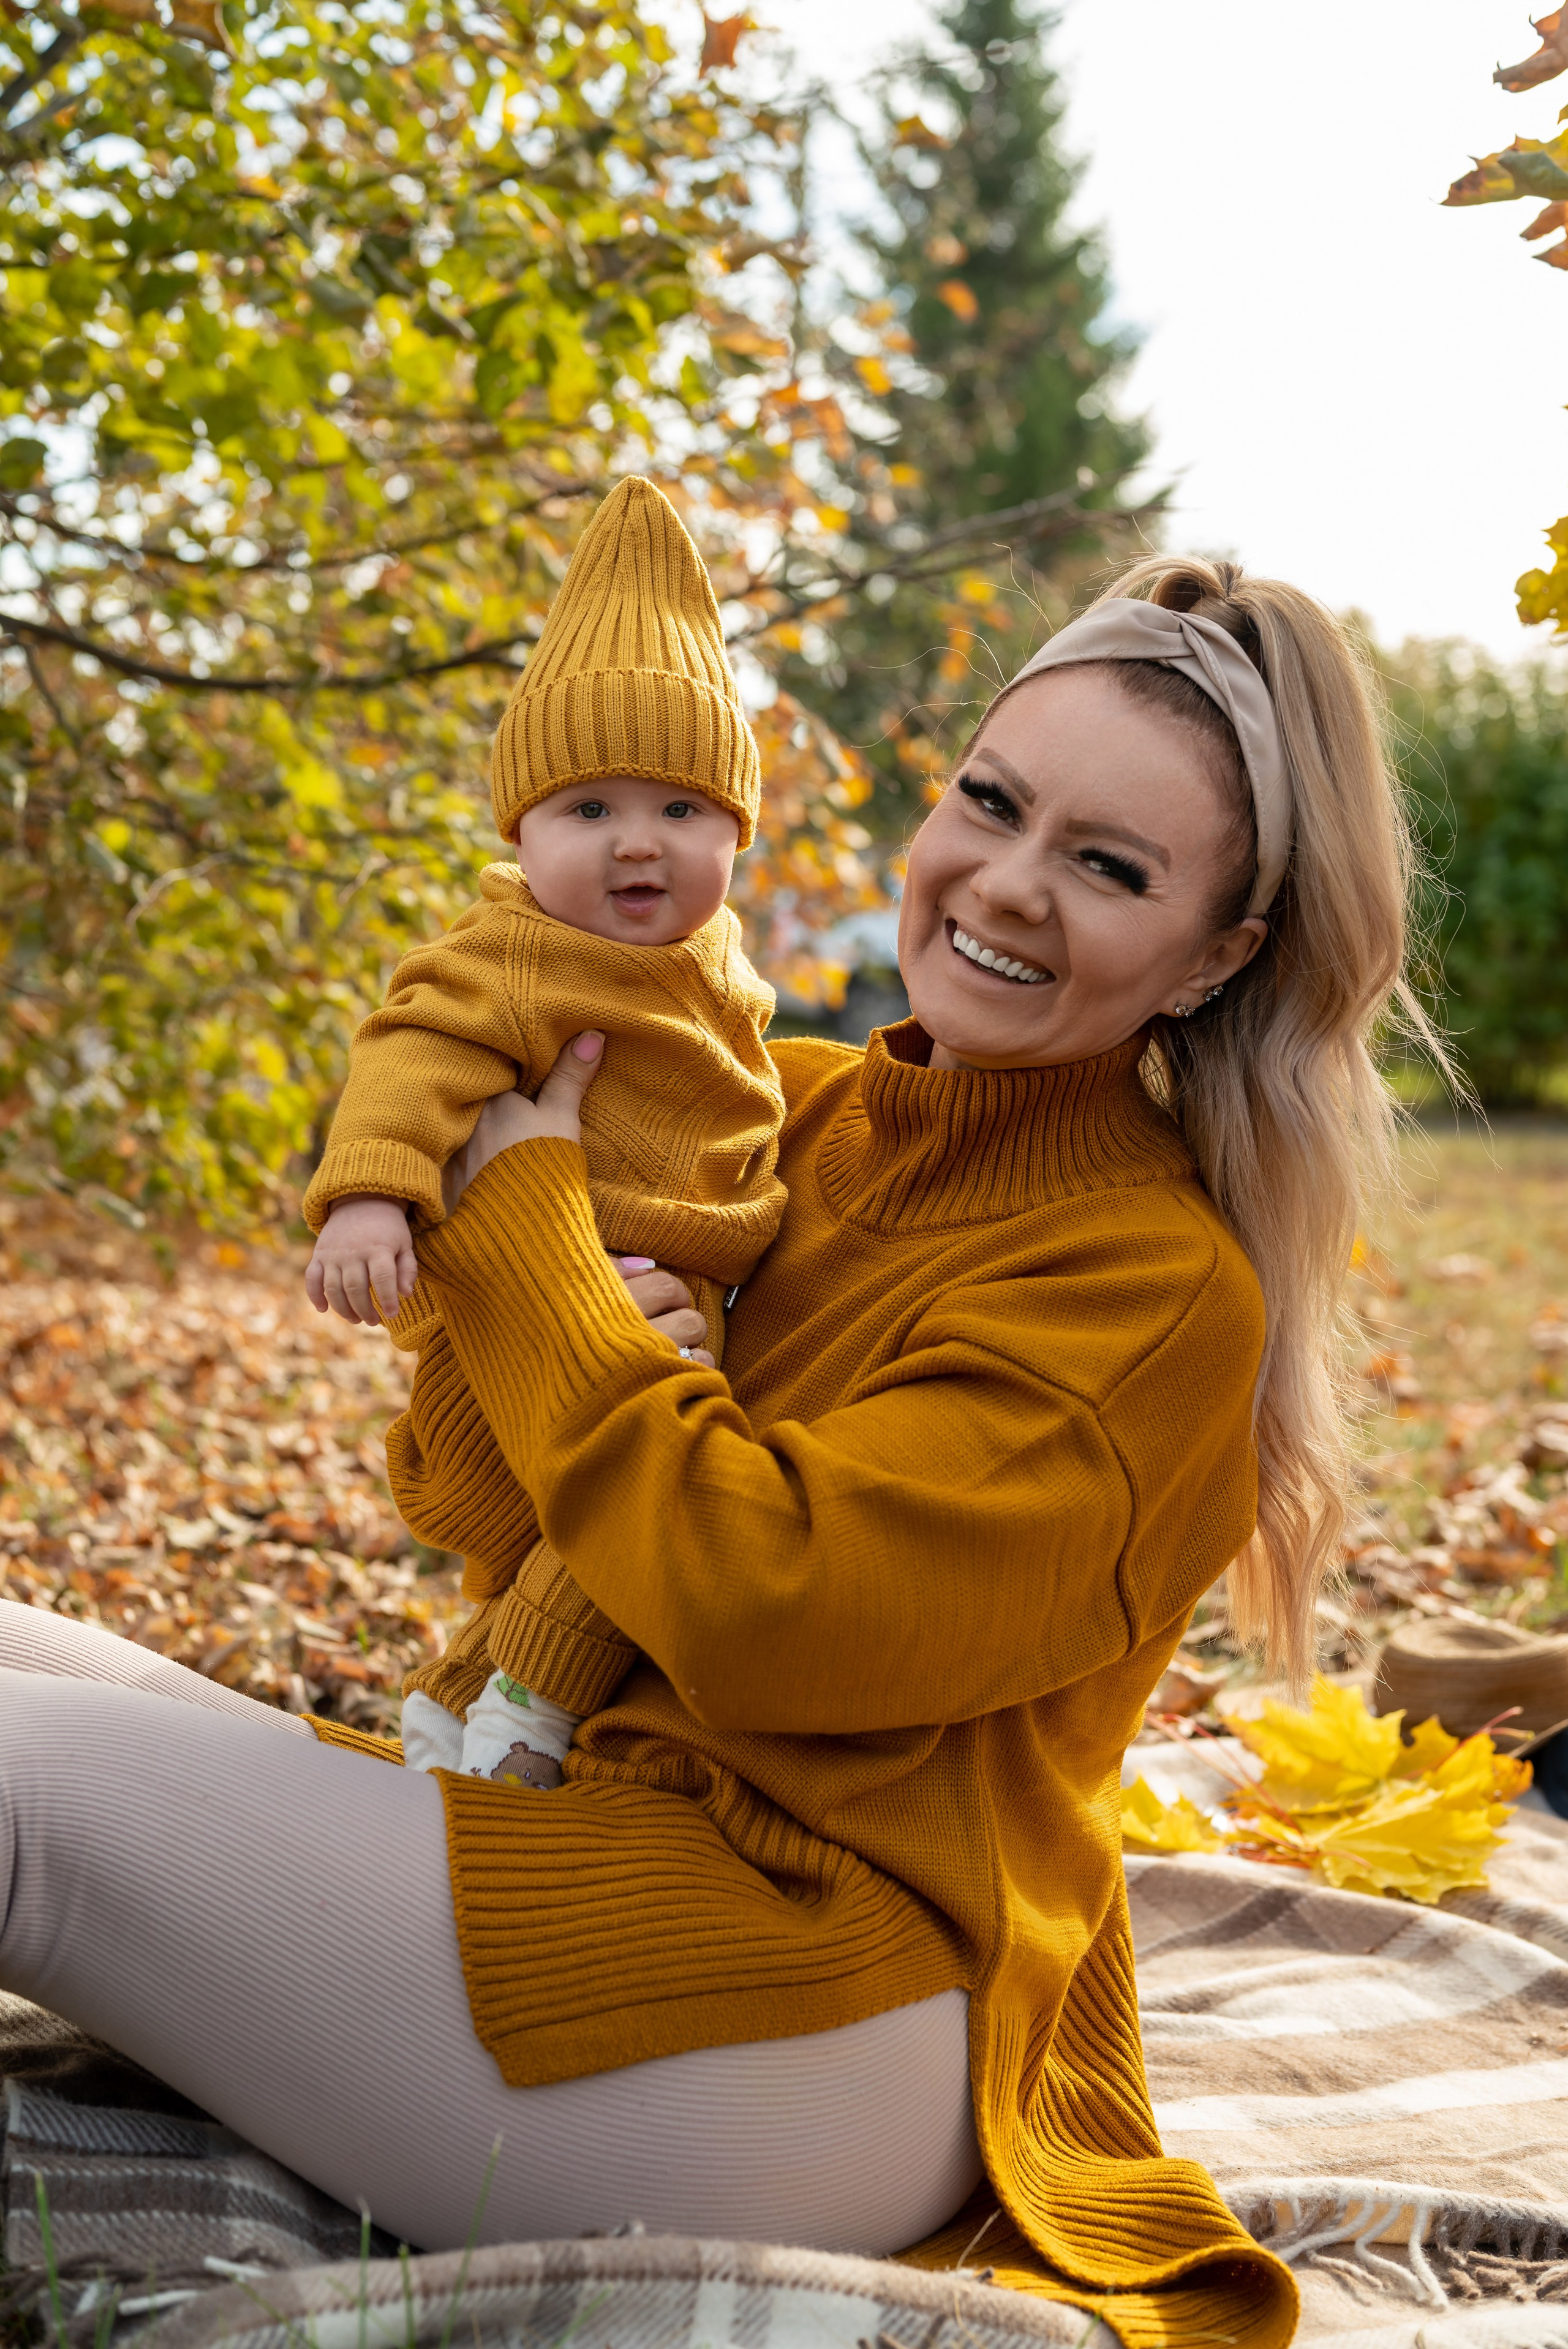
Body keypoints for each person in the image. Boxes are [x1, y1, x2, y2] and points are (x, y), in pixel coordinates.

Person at [0, 553, 1439, 2349]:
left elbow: (771, 1606)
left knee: (19, 1794)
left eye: (1109, 864)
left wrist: (532, 1229)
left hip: (834, 2000)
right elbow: (492, 1515)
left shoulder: (1150, 1290)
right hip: (606, 1834)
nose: (1005, 882)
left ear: (1221, 956)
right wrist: (520, 1307)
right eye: (992, 801)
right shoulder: (793, 1113)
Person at [302, 475, 787, 1789]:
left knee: (645, 1497)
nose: (640, 845)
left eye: (683, 811)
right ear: (519, 832)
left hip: (666, 1292)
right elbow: (414, 1044)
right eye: (591, 811)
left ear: (736, 830)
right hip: (523, 1303)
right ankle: (512, 1694)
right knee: (571, 1513)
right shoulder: (517, 949)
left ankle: (478, 1698)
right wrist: (370, 1198)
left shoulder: (727, 971)